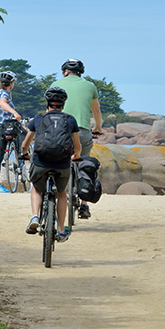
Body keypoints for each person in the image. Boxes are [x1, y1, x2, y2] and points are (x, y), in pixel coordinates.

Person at [21, 87, 81, 241]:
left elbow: (25, 144)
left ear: (47, 102)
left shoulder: (38, 119)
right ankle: (61, 230)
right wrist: (76, 156)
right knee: (61, 193)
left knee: (36, 188)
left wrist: (24, 154)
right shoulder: (70, 119)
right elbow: (77, 146)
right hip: (62, 164)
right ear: (63, 104)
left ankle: (35, 217)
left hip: (41, 162)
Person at [55, 58, 102, 219]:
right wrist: (98, 128)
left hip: (59, 131)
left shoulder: (56, 84)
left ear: (65, 71)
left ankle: (54, 192)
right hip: (83, 131)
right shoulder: (90, 86)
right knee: (85, 164)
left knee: (57, 161)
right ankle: (84, 205)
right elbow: (96, 112)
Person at [0, 71, 22, 193]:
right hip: (1, 128)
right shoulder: (3, 93)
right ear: (11, 83)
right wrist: (14, 112)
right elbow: (3, 103)